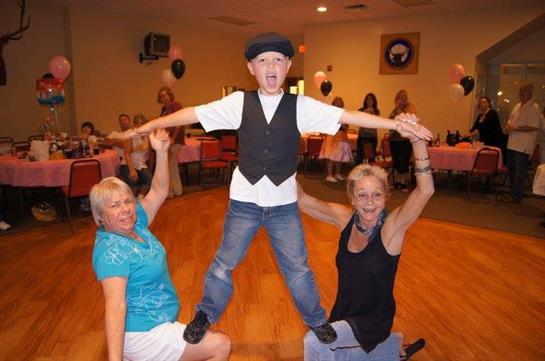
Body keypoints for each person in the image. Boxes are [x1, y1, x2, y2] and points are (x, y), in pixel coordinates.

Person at [131, 32, 432, 346]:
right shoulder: (238, 103)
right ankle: (205, 315)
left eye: (277, 59)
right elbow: (193, 112)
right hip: (244, 201)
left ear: (288, 65)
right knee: (224, 262)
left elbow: (347, 116)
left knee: (297, 267)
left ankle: (317, 320)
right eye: (262, 60)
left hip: (284, 205)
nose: (270, 65)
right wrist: (152, 124)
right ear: (251, 68)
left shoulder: (301, 106)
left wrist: (396, 125)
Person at [299, 113, 432, 360]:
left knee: (315, 343)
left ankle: (385, 342)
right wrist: (277, 152)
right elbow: (302, 199)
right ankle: (393, 346)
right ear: (352, 198)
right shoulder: (346, 220)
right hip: (344, 314)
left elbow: (425, 190)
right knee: (334, 353)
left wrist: (416, 139)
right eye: (362, 195)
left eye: (376, 195)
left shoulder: (391, 228)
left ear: (386, 196)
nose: (370, 203)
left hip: (373, 320)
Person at [91, 128, 231, 361]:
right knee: (221, 345)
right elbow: (115, 307)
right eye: (114, 206)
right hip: (143, 333)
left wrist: (162, 151)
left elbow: (158, 190)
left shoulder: (135, 224)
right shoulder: (110, 251)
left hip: (156, 321)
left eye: (127, 201)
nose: (125, 209)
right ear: (100, 216)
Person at [504, 82, 541, 203]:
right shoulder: (516, 106)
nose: (520, 93)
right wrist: (507, 127)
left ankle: (517, 196)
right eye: (520, 90)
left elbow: (534, 126)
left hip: (523, 145)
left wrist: (517, 128)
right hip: (512, 142)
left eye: (523, 91)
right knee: (511, 169)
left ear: (530, 93)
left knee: (519, 171)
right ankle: (513, 193)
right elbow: (511, 121)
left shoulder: (534, 107)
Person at [158, 87, 184, 198]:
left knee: (170, 165)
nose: (163, 98)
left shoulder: (176, 106)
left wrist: (173, 137)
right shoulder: (164, 109)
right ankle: (176, 191)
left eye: (165, 95)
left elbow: (179, 122)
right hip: (166, 140)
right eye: (161, 96)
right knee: (171, 165)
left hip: (175, 139)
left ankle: (171, 192)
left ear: (170, 95)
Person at [388, 90, 416, 192]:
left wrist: (399, 108)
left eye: (404, 96)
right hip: (394, 139)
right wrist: (396, 109)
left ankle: (402, 183)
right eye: (400, 96)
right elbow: (389, 121)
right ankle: (397, 182)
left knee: (404, 162)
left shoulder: (409, 107)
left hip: (404, 139)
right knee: (396, 162)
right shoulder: (394, 109)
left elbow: (406, 120)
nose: (402, 98)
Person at [319, 96, 353, 182]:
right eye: (337, 102)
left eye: (340, 102)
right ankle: (329, 175)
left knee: (339, 157)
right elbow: (327, 124)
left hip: (342, 137)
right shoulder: (330, 112)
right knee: (332, 157)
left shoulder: (344, 113)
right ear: (333, 103)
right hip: (332, 137)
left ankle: (337, 173)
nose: (338, 103)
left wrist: (344, 125)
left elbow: (346, 125)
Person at [466, 96, 507, 162]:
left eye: (484, 102)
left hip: (494, 142)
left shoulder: (492, 113)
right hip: (485, 142)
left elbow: (483, 127)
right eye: (481, 103)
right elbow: (474, 128)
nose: (482, 104)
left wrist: (471, 134)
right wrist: (466, 134)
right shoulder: (480, 116)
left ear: (488, 104)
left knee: (490, 162)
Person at [130, 113, 153, 199]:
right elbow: (127, 152)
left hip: (142, 164)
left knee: (149, 179)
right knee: (133, 180)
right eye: (138, 123)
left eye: (142, 123)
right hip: (130, 163)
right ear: (135, 125)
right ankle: (132, 200)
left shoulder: (147, 137)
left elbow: (149, 153)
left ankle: (140, 198)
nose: (140, 126)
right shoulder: (131, 135)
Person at [357, 93, 380, 164]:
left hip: (372, 137)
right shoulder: (361, 110)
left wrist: (372, 113)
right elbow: (359, 122)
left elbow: (376, 124)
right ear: (365, 100)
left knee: (371, 158)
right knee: (359, 157)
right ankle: (359, 173)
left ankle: (370, 174)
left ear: (374, 101)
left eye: (371, 99)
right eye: (368, 99)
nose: (369, 100)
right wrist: (365, 113)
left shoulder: (376, 111)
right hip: (362, 137)